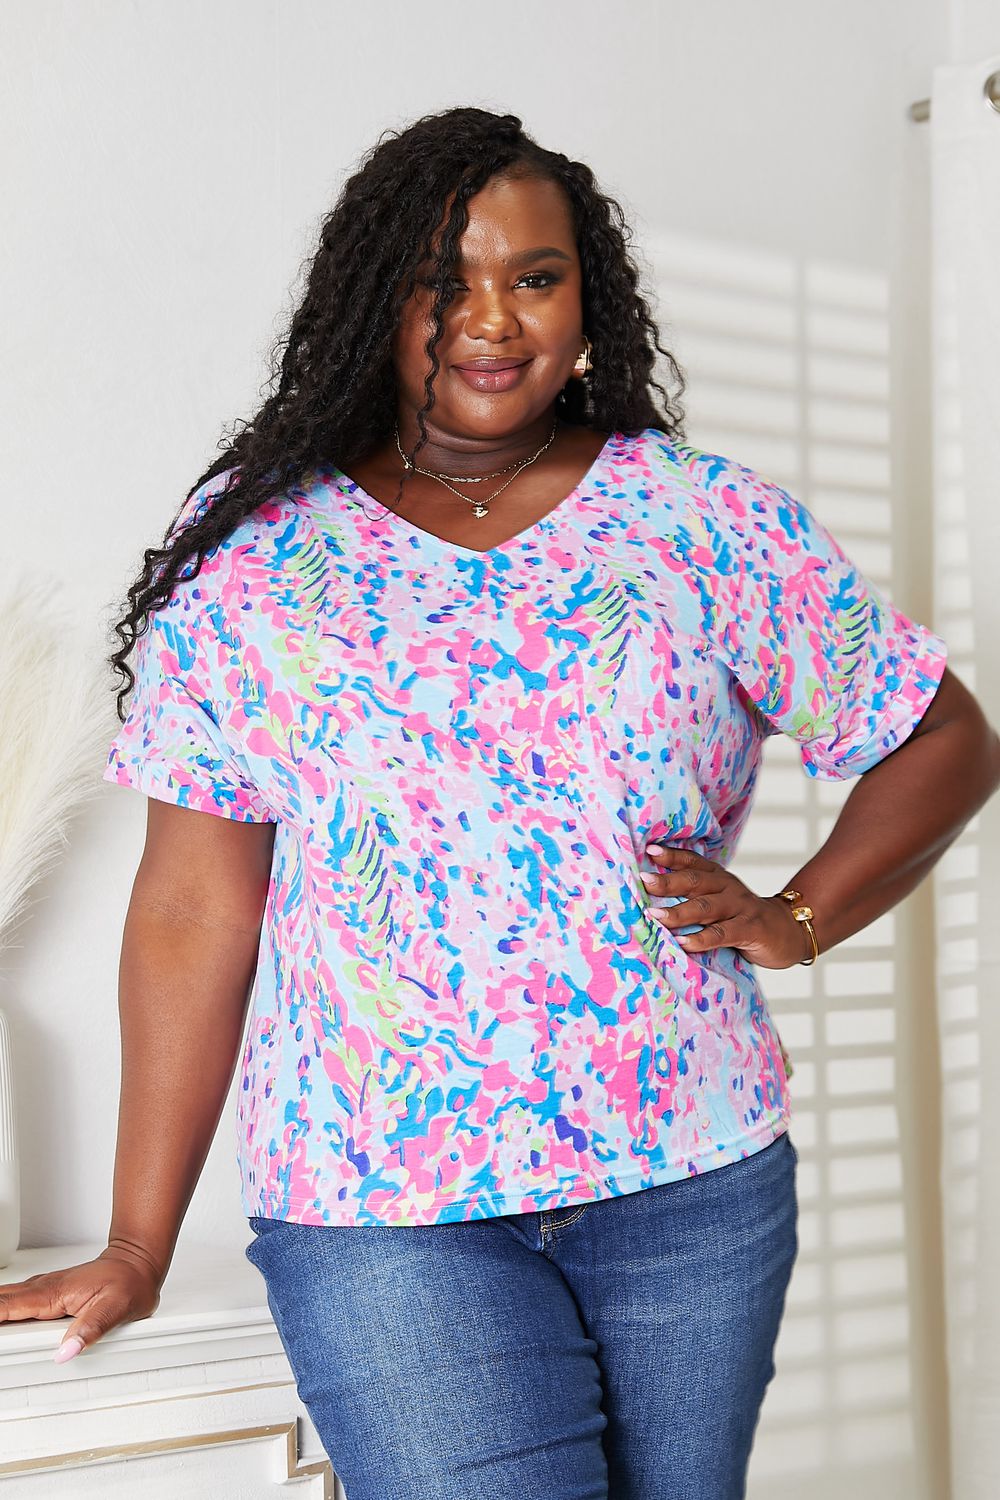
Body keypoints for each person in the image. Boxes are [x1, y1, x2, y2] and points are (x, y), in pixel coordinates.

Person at [1, 105, 997, 1500]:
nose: (492, 317)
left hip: (689, 1181)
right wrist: (134, 1244)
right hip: (384, 1208)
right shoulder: (260, 553)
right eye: (442, 279)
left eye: (534, 277)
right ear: (373, 304)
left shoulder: (699, 523)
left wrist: (796, 916)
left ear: (588, 305)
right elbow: (190, 906)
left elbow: (941, 736)